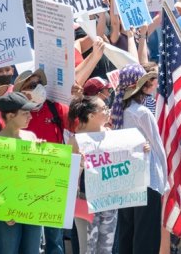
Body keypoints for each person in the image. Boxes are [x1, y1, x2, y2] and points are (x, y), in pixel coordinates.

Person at [109, 64, 167, 253]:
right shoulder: (141, 112)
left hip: (126, 181)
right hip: (147, 181)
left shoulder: (117, 112)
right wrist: (164, 182)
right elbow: (158, 148)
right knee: (146, 237)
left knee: (127, 233)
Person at [15, 69, 69, 254]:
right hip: (25, 181)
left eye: (39, 83)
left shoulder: (57, 108)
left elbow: (80, 127)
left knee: (55, 237)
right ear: (21, 91)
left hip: (53, 178)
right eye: (31, 85)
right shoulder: (14, 114)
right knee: (30, 237)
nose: (37, 87)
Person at [0, 92, 41, 254]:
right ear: (11, 115)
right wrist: (4, 210)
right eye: (25, 113)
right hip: (5, 213)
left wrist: (44, 154)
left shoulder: (31, 137)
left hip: (32, 206)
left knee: (32, 251)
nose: (31, 117)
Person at [68, 96, 117, 254]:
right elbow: (68, 175)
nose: (108, 111)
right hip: (85, 200)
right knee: (87, 248)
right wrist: (80, 164)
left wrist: (141, 149)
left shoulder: (111, 134)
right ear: (90, 115)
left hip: (109, 198)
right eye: (103, 109)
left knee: (106, 248)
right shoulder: (75, 140)